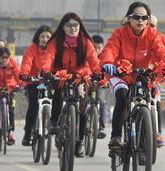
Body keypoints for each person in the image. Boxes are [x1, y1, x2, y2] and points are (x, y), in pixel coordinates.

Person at [99, 2, 165, 150]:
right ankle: (116, 137)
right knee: (122, 95)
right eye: (136, 17)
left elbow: (162, 52)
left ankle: (148, 137)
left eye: (144, 18)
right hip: (121, 74)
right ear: (129, 18)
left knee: (149, 98)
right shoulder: (119, 33)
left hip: (143, 75)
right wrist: (107, 62)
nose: (140, 21)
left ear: (148, 20)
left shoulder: (153, 35)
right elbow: (110, 50)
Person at [41, 13, 101, 157]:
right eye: (69, 25)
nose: (72, 28)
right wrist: (46, 71)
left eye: (75, 25)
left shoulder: (86, 42)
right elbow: (48, 57)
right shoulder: (55, 42)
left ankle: (79, 142)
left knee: (81, 108)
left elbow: (93, 60)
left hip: (79, 76)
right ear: (63, 27)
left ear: (80, 27)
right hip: (60, 74)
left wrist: (98, 72)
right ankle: (54, 122)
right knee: (57, 93)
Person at [18, 25, 52, 146]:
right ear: (37, 37)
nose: (45, 39)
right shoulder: (32, 49)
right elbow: (27, 62)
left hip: (50, 81)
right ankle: (27, 134)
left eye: (48, 36)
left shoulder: (54, 49)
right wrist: (25, 74)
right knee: (33, 106)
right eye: (42, 36)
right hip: (34, 81)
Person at [91, 34, 108, 139]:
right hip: (87, 83)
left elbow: (108, 72)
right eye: (94, 48)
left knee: (101, 102)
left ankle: (101, 127)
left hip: (100, 84)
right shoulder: (87, 55)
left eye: (99, 48)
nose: (97, 50)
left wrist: (105, 81)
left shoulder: (105, 57)